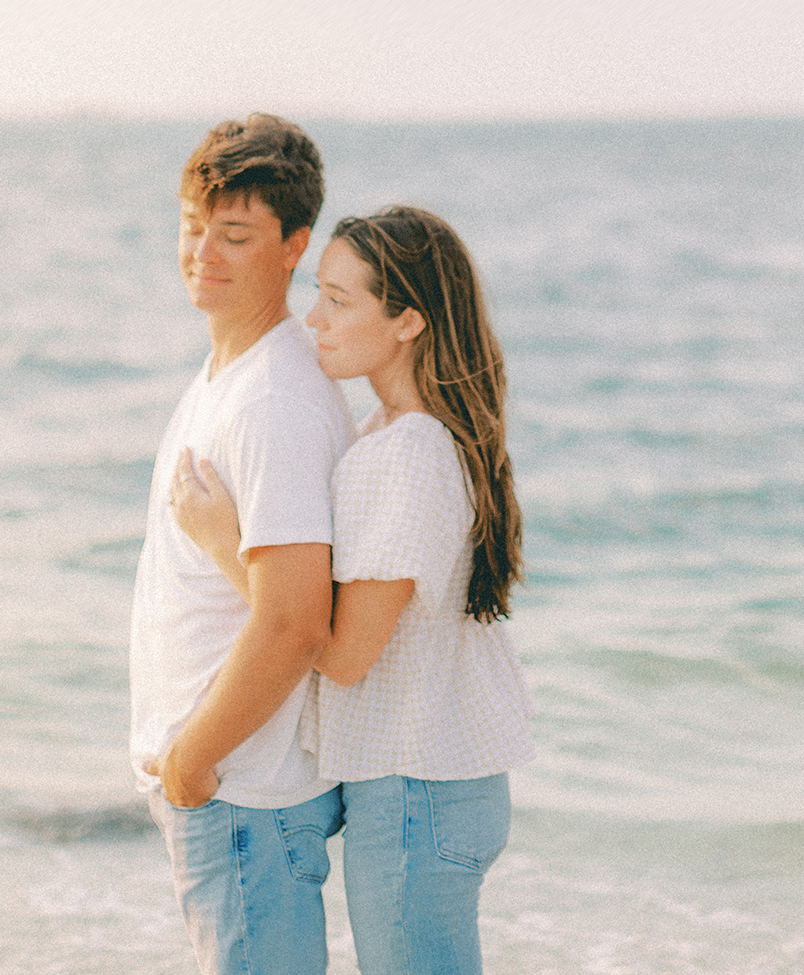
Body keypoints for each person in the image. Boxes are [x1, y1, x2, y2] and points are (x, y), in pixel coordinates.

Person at [172, 203, 533, 975]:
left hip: (417, 793)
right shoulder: (411, 433)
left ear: (406, 320)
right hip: (436, 788)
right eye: (318, 293)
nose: (313, 320)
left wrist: (221, 540)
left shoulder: (401, 451)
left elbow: (339, 657)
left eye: (339, 300)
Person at [129, 113, 356, 975]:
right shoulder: (230, 371)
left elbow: (296, 621)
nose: (202, 253)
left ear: (295, 245)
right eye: (192, 227)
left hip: (240, 794)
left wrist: (192, 758)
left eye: (234, 234)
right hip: (227, 793)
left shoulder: (274, 402)